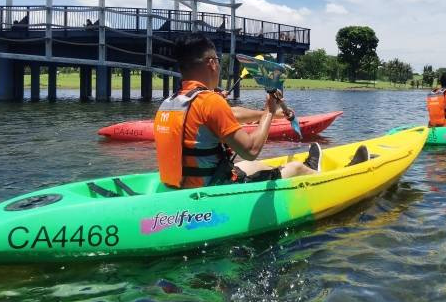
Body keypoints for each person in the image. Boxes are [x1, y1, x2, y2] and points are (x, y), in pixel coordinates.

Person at [155, 34, 366, 189]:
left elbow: (228, 114)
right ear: (211, 63)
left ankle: (310, 167)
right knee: (293, 169)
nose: (218, 67)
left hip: (182, 186)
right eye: (218, 62)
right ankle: (336, 176)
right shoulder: (209, 102)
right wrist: (269, 110)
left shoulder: (171, 102)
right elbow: (252, 148)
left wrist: (268, 113)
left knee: (251, 165)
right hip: (210, 192)